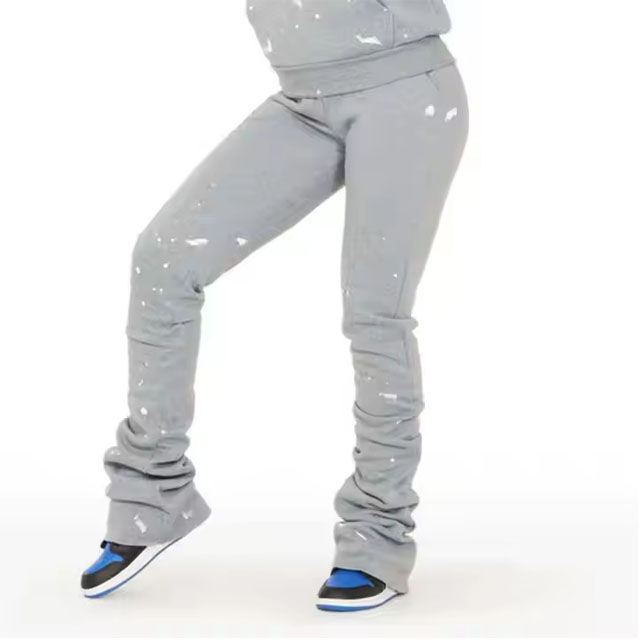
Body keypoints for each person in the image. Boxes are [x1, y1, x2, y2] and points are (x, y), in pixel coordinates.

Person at [81, 0, 468, 612]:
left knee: (375, 313)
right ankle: (152, 497)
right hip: (302, 100)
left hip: (404, 91)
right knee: (163, 260)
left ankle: (377, 537)